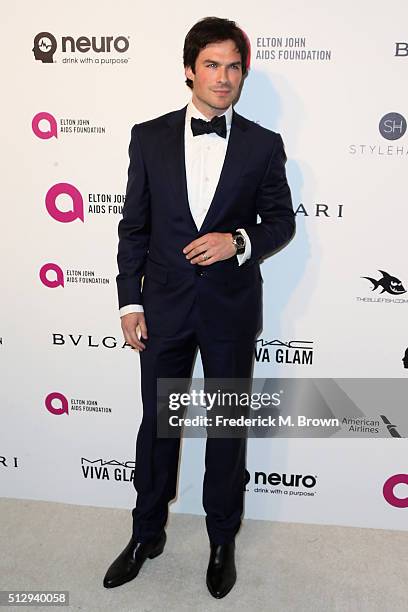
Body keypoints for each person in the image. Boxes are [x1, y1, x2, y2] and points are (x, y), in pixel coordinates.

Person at [103, 16, 295, 599]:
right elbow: (133, 227)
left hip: (230, 307)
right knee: (157, 426)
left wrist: (236, 242)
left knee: (226, 427)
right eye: (212, 65)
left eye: (234, 66)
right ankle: (145, 533)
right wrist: (129, 302)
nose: (223, 77)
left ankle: (221, 538)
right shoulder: (149, 136)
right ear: (189, 70)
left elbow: (281, 222)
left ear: (244, 74)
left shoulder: (263, 144)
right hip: (161, 305)